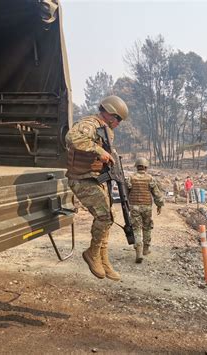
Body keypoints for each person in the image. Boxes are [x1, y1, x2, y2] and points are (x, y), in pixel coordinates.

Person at [65, 95, 128, 281]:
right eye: (117, 118)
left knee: (108, 218)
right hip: (81, 179)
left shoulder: (106, 130)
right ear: (108, 112)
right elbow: (72, 137)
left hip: (94, 179)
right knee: (104, 217)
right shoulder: (90, 124)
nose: (118, 123)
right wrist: (100, 151)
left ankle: (103, 258)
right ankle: (92, 254)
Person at [126, 158, 164, 263]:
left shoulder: (131, 178)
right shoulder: (150, 178)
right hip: (147, 207)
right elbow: (156, 193)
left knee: (136, 229)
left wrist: (127, 205)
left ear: (136, 166)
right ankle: (146, 250)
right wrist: (159, 205)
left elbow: (125, 193)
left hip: (134, 207)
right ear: (146, 167)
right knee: (147, 228)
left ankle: (138, 252)